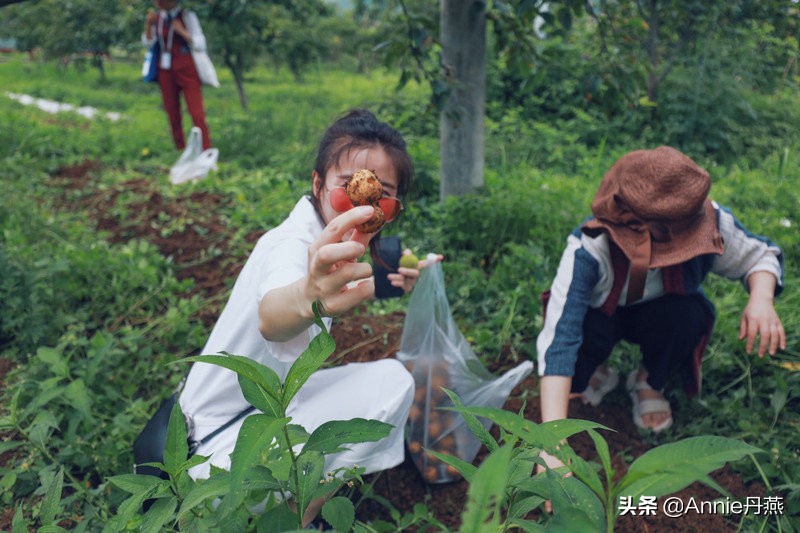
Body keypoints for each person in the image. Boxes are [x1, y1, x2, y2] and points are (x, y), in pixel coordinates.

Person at [177, 109, 437, 525]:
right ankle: (298, 519)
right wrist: (306, 297)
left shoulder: (322, 237)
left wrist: (396, 279)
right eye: (347, 185)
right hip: (216, 464)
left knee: (382, 378)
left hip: (235, 425)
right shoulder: (290, 246)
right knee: (392, 383)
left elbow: (349, 280)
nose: (361, 200)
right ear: (318, 185)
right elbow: (274, 315)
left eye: (379, 193)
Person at [537, 146, 785, 441]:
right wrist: (550, 443)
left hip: (659, 313)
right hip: (600, 316)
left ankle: (648, 380)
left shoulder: (707, 222)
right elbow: (560, 335)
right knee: (581, 344)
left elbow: (761, 256)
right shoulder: (590, 247)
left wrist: (761, 299)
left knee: (688, 316)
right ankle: (594, 370)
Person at [143, 0, 213, 150]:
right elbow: (149, 44)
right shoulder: (157, 18)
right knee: (172, 113)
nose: (159, 3)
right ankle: (180, 148)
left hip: (187, 68)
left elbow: (201, 44)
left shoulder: (188, 16)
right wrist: (148, 25)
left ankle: (206, 150)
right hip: (165, 70)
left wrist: (183, 32)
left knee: (197, 113)